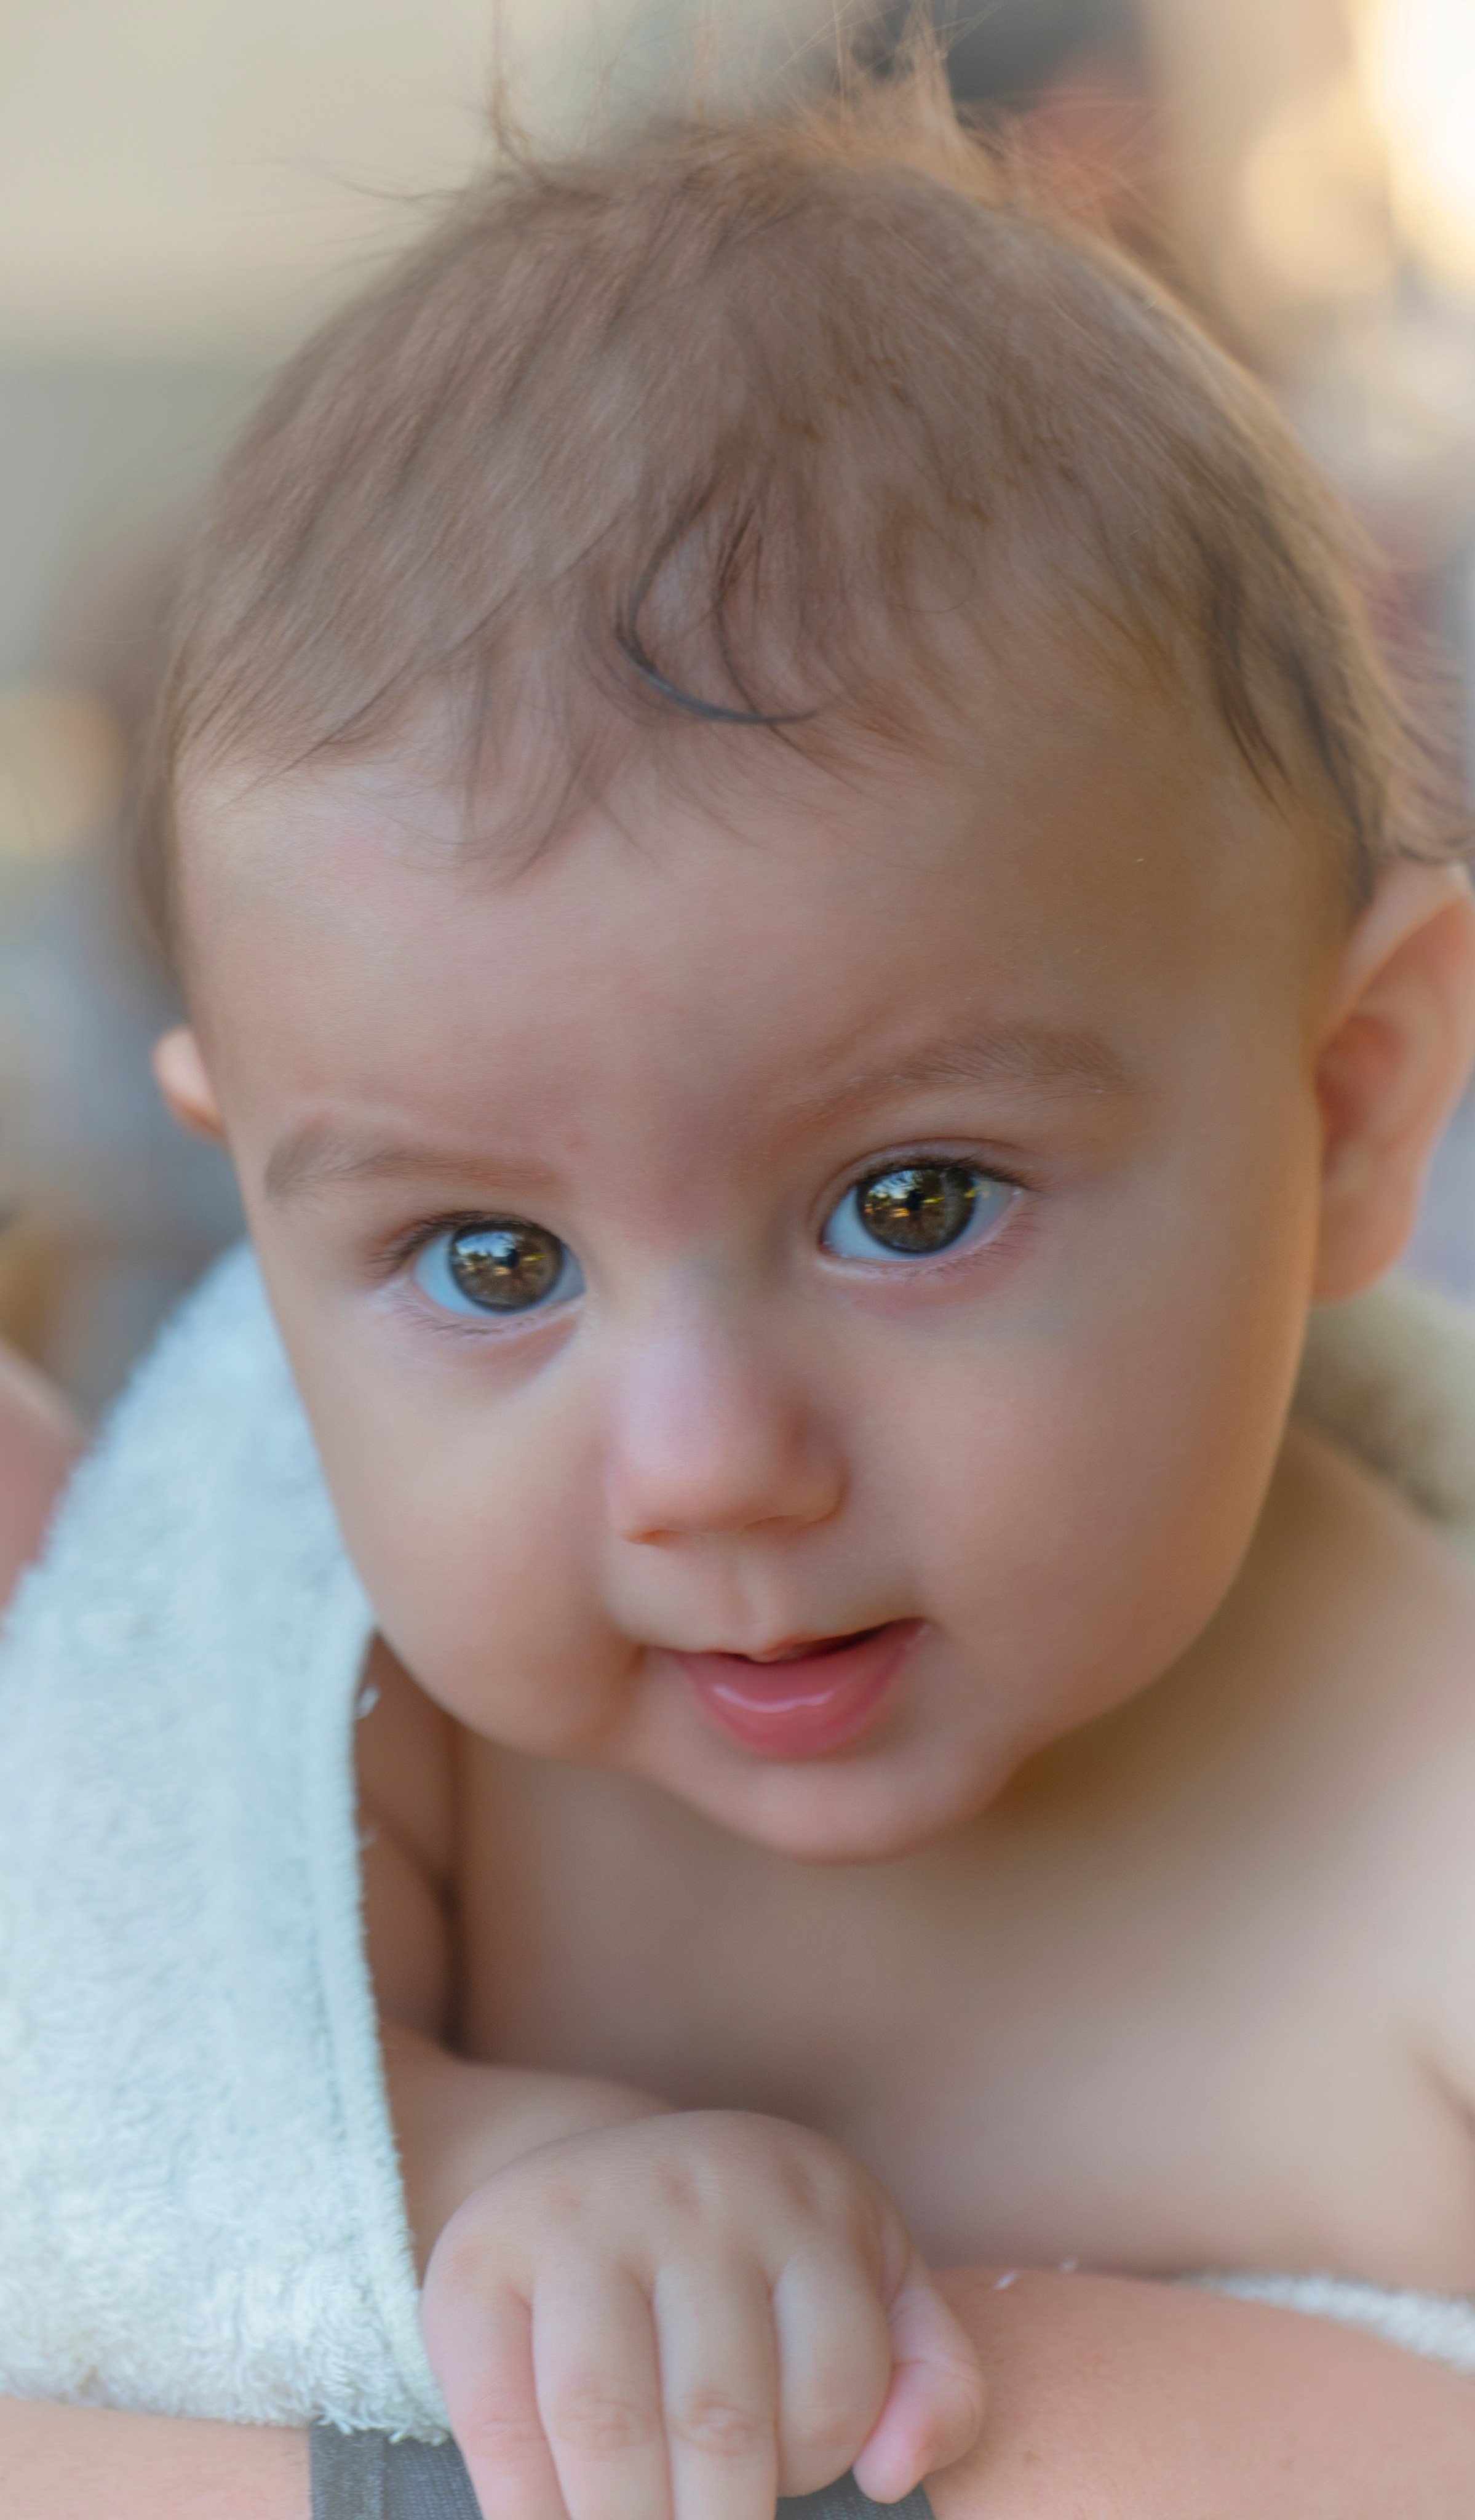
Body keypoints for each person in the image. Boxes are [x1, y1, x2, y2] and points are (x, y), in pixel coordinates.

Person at [7, 37, 1475, 2519]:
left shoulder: (1422, 1829)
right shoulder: (336, 1738)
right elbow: (97, 2124)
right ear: (254, 1204)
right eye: (488, 1258)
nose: (702, 1464)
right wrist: (471, 2183)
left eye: (912, 1204)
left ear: (1344, 1108)